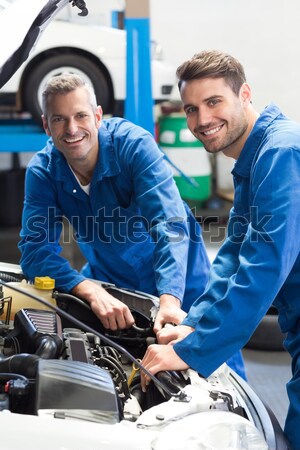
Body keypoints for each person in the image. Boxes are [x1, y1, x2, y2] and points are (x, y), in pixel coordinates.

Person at [140, 50, 300, 449]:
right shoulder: (255, 158)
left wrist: (193, 350)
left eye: (214, 102)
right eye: (191, 109)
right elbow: (232, 256)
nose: (202, 120)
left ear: (244, 94)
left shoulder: (280, 154)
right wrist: (193, 323)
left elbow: (262, 269)